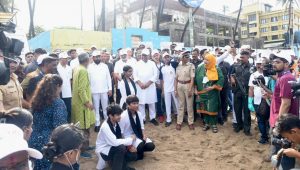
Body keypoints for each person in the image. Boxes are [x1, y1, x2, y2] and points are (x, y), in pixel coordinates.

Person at [29, 74, 68, 169]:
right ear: (58, 86)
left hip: (33, 139)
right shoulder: (58, 103)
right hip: (48, 144)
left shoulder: (37, 99)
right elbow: (59, 126)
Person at [269, 50, 299, 169]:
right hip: (283, 121)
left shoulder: (285, 78)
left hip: (283, 123)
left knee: (284, 154)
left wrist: (278, 125)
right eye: (273, 61)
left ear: (286, 64)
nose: (274, 64)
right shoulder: (284, 77)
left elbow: (286, 103)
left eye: (278, 61)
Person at [96, 104, 137, 170]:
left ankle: (118, 165)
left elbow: (119, 137)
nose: (120, 117)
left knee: (133, 155)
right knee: (121, 148)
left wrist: (129, 146)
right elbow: (114, 142)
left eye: (120, 114)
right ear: (110, 116)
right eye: (117, 115)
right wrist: (130, 139)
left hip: (112, 146)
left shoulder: (116, 122)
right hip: (104, 149)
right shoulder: (105, 127)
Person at [71, 53, 95, 158]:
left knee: (84, 127)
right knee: (83, 128)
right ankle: (83, 149)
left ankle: (86, 146)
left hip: (77, 103)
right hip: (82, 105)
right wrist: (87, 102)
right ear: (87, 60)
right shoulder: (83, 70)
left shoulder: (77, 68)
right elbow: (81, 89)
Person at [119, 95, 155, 161]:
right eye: (134, 103)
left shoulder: (139, 114)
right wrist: (128, 145)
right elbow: (121, 133)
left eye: (137, 103)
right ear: (128, 105)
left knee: (151, 146)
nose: (136, 105)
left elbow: (142, 127)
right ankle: (133, 151)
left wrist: (144, 135)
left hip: (138, 134)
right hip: (128, 136)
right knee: (140, 145)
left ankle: (138, 149)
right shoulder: (123, 116)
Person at [195, 54, 224, 133]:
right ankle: (207, 123)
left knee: (212, 108)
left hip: (212, 93)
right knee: (204, 109)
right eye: (204, 59)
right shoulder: (200, 68)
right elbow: (195, 78)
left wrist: (213, 87)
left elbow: (221, 79)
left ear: (211, 60)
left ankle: (214, 124)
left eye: (207, 60)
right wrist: (195, 89)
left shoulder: (216, 68)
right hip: (202, 93)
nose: (205, 61)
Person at [88, 50, 112, 132]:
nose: (97, 58)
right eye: (96, 57)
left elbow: (108, 78)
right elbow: (88, 80)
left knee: (105, 107)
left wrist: (110, 89)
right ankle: (97, 124)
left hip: (104, 90)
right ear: (93, 58)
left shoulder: (105, 66)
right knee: (96, 108)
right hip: (94, 91)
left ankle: (107, 122)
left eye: (98, 56)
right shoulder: (89, 67)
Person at [134, 49, 159, 126]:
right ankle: (143, 118)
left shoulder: (152, 63)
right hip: (140, 86)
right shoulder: (137, 64)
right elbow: (135, 75)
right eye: (143, 55)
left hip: (150, 86)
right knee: (141, 103)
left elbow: (156, 75)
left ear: (149, 56)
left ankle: (152, 118)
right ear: (141, 55)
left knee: (151, 103)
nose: (144, 57)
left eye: (146, 55)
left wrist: (148, 83)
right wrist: (140, 83)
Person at [248, 58, 270, 144]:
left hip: (268, 101)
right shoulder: (253, 75)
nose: (260, 66)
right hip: (257, 101)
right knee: (260, 120)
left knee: (268, 120)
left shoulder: (270, 76)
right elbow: (251, 88)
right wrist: (250, 100)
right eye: (258, 64)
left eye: (262, 64)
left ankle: (268, 135)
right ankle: (263, 137)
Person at [230, 50, 252, 136]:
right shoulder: (236, 66)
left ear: (248, 57)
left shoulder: (252, 67)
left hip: (247, 92)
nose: (241, 59)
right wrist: (231, 79)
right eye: (241, 57)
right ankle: (239, 125)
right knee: (237, 109)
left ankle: (247, 129)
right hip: (237, 91)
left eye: (243, 57)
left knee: (247, 111)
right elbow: (231, 74)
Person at [175, 51, 195, 130]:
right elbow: (176, 79)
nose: (188, 58)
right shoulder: (178, 66)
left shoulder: (191, 65)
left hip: (188, 85)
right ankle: (179, 122)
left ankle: (191, 122)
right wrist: (175, 89)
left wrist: (190, 89)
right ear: (182, 58)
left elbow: (192, 78)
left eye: (188, 56)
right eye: (186, 57)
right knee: (181, 105)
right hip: (179, 85)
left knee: (189, 105)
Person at [160, 52, 179, 127]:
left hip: (174, 88)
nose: (166, 58)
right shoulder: (162, 68)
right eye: (165, 57)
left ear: (170, 58)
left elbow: (175, 78)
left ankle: (179, 118)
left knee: (177, 103)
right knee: (167, 105)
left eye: (168, 57)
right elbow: (162, 80)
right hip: (166, 89)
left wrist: (175, 89)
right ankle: (168, 119)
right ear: (163, 59)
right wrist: (162, 90)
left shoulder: (174, 64)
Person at [57, 52, 73, 122]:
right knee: (61, 109)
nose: (66, 60)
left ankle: (68, 122)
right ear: (60, 59)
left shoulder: (69, 68)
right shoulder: (57, 68)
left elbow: (70, 80)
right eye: (64, 59)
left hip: (68, 92)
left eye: (66, 59)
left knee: (69, 109)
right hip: (60, 92)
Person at [152, 49, 165, 123]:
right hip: (155, 85)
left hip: (163, 85)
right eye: (154, 56)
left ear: (159, 55)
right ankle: (160, 115)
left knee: (164, 100)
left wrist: (162, 85)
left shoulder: (163, 64)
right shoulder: (151, 65)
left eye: (157, 55)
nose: (156, 57)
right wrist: (157, 84)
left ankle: (164, 113)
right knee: (158, 100)